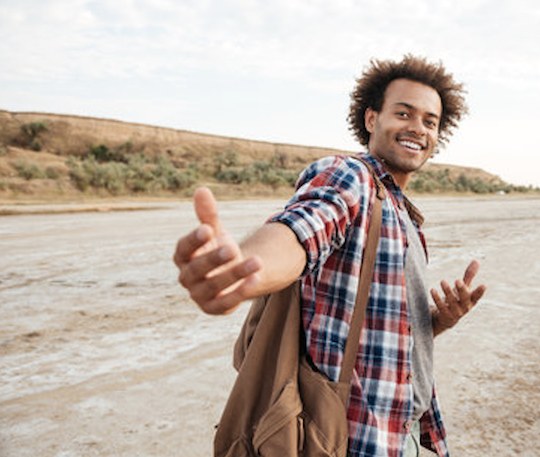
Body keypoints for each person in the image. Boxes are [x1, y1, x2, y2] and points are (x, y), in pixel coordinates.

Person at [173, 54, 487, 457]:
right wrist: (246, 268)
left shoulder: (403, 214)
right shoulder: (351, 177)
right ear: (371, 119)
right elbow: (303, 229)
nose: (418, 128)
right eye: (404, 113)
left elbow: (381, 335)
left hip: (398, 433)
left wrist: (436, 323)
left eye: (430, 121)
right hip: (347, 439)